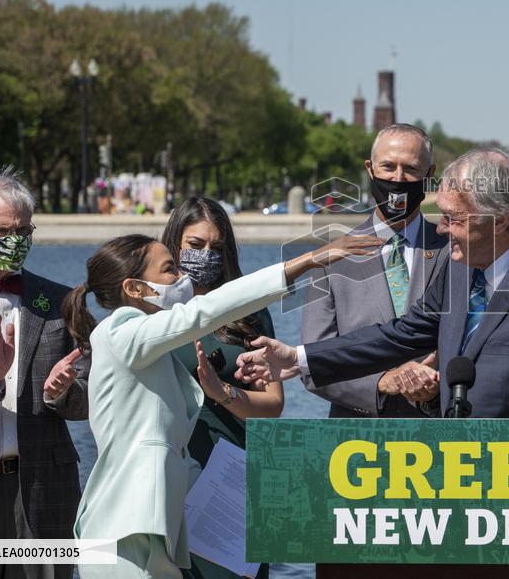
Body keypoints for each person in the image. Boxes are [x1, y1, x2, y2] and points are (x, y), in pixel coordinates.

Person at [64, 232, 379, 578]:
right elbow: (203, 313)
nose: (182, 278)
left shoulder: (149, 350)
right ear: (135, 289)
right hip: (125, 532)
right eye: (169, 269)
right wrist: (299, 265)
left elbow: (171, 450)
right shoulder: (121, 333)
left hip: (154, 534)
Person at [236, 148, 509, 420]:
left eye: (452, 218)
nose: (441, 230)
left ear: (500, 221)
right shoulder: (460, 271)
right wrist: (298, 358)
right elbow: (398, 336)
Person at [0, 169, 88, 579]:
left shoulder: (62, 301)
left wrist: (60, 393)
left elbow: (97, 394)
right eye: (1, 231)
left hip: (45, 489)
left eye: (23, 230)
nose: (13, 241)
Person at [160, 195, 284, 579]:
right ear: (174, 242)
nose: (206, 255)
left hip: (232, 473)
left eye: (216, 248)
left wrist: (223, 393)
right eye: (195, 246)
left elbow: (274, 403)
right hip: (169, 474)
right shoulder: (151, 310)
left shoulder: (248, 310)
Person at [302, 123, 449, 418]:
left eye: (411, 169)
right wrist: (381, 383)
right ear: (370, 169)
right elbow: (313, 362)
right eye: (388, 167)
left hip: (438, 429)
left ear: (429, 175)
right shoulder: (331, 258)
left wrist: (438, 384)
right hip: (357, 438)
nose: (398, 178)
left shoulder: (456, 251)